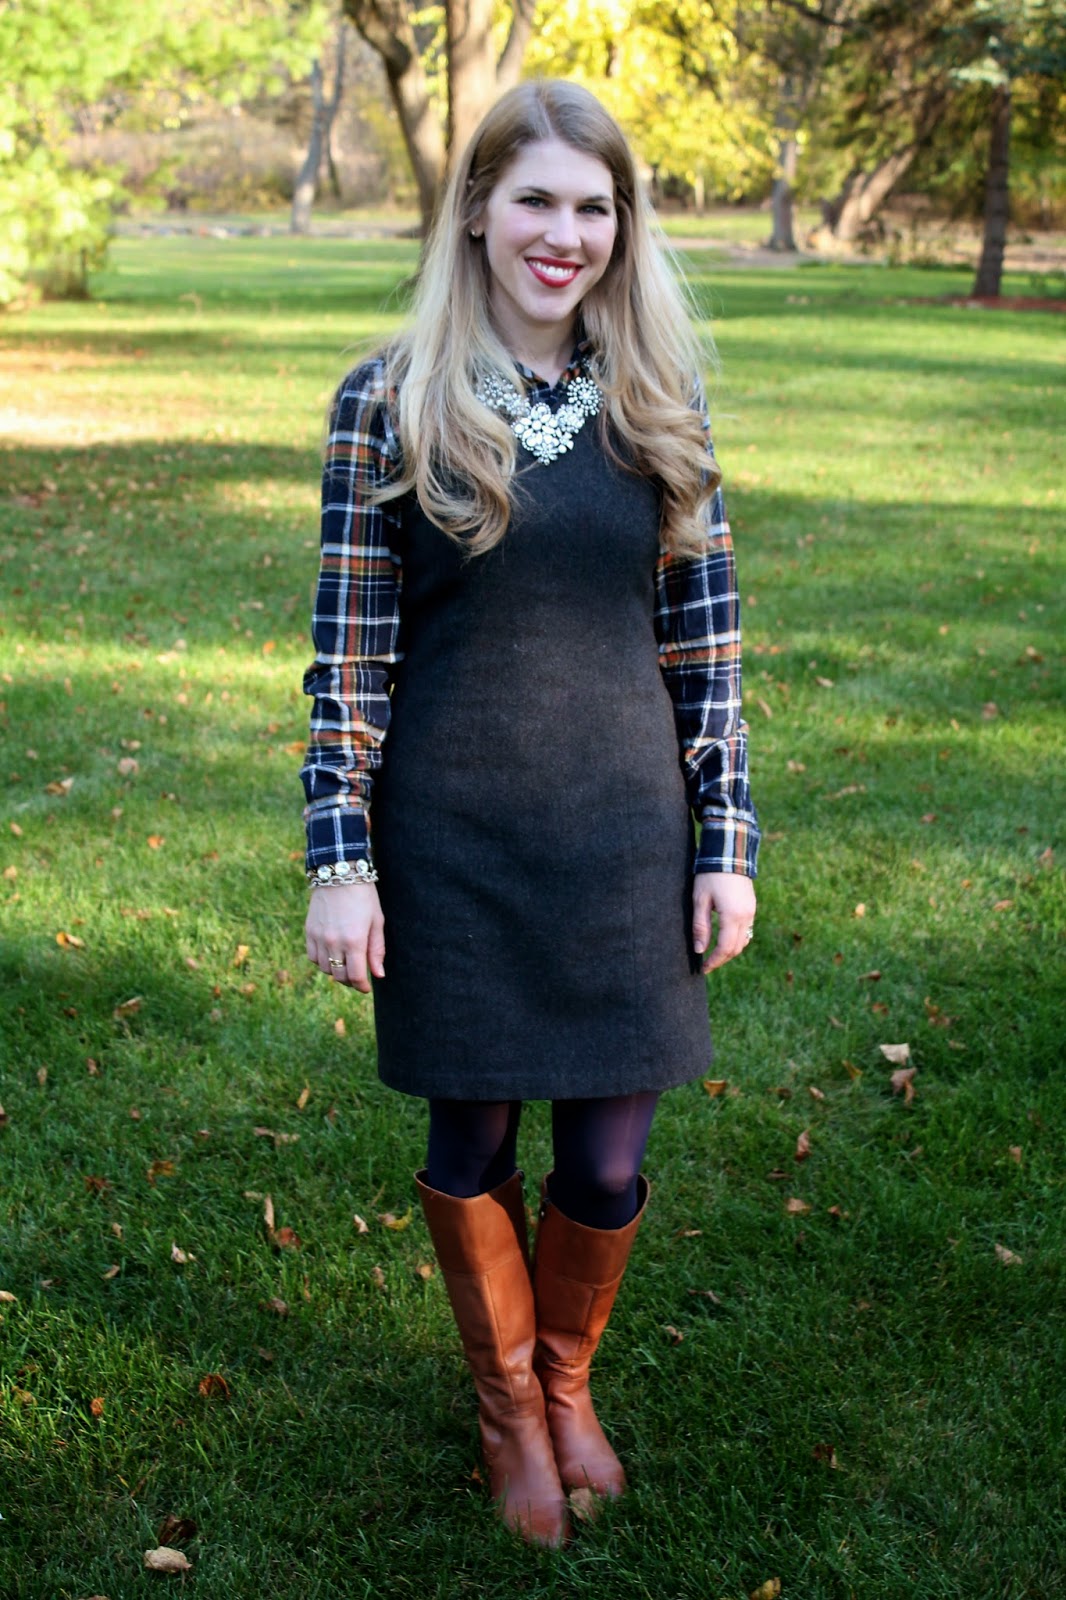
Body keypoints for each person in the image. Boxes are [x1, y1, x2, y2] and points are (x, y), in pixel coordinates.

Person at [299, 79, 759, 1548]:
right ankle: (503, 1404)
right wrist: (341, 859)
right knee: (473, 1137)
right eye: (537, 201)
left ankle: (565, 1382)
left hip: (628, 832)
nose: (564, 236)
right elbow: (352, 653)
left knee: (607, 1157)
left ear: (621, 228)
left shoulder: (656, 404)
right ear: (478, 209)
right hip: (456, 835)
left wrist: (727, 841)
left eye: (593, 206)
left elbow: (707, 651)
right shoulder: (389, 397)